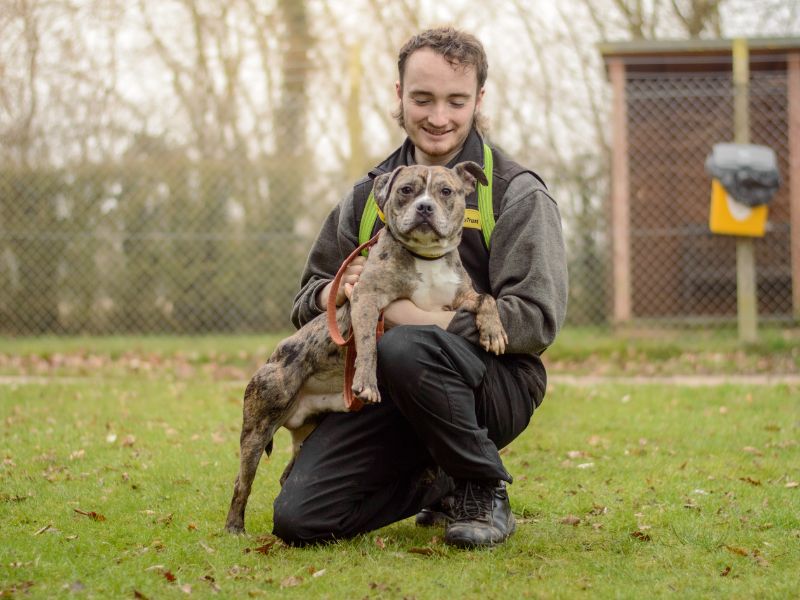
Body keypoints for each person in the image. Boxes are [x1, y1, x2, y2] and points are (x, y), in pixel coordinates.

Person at [272, 26, 568, 548]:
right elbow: (306, 300)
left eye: (456, 101)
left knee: (407, 346)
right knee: (300, 518)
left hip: (493, 385)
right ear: (399, 95)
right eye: (423, 98)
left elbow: (537, 320)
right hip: (381, 390)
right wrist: (336, 292)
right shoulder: (370, 194)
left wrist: (413, 320)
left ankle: (482, 486)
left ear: (478, 99)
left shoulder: (512, 192)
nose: (438, 116)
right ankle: (437, 480)